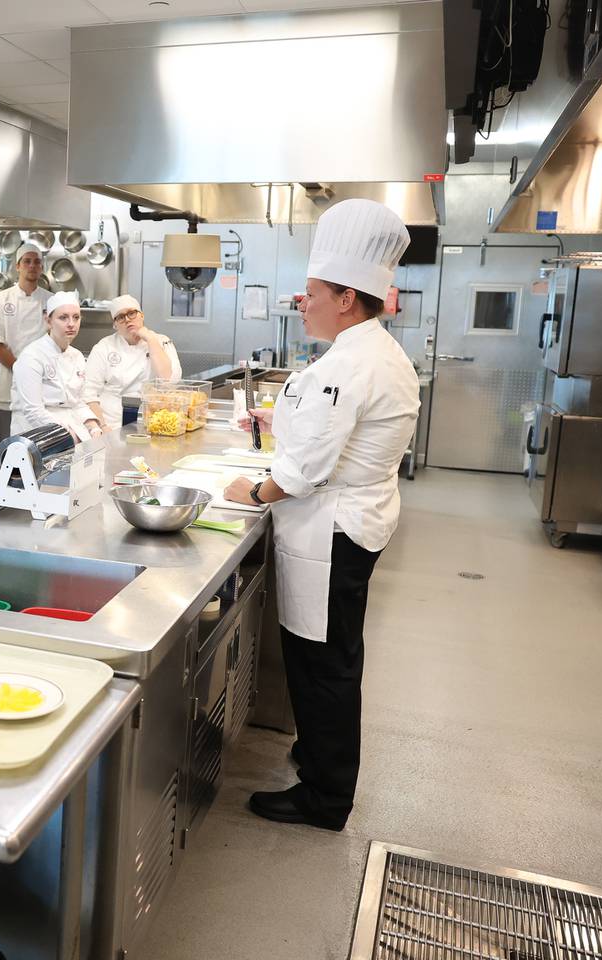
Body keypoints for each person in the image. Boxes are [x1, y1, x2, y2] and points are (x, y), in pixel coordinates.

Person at [223, 198, 419, 832]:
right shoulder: (369, 353)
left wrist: (249, 493)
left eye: (309, 293)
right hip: (354, 522)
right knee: (331, 657)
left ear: (344, 298)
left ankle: (326, 797)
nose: (300, 302)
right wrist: (280, 422)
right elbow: (335, 435)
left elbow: (302, 472)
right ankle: (316, 757)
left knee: (325, 665)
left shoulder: (350, 362)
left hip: (335, 531)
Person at [10, 291, 104, 442]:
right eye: (63, 317)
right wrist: (68, 435)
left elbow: (76, 402)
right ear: (48, 321)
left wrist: (93, 426)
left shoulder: (78, 356)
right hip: (35, 436)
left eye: (76, 317)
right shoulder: (32, 357)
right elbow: (33, 411)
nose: (71, 324)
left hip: (70, 433)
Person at [83, 294, 182, 431]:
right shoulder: (103, 347)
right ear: (115, 324)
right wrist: (103, 426)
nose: (127, 319)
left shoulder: (161, 341)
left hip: (155, 422)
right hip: (113, 423)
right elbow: (89, 393)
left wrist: (150, 339)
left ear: (142, 315)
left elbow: (169, 380)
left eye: (132, 313)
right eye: (121, 317)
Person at [0, 243, 49, 446]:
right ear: (18, 266)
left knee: (39, 449)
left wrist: (32, 374)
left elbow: (54, 340)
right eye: (27, 261)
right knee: (8, 447)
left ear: (41, 267)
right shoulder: (2, 300)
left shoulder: (51, 300)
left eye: (37, 261)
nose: (32, 265)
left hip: (43, 386)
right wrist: (22, 371)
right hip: (7, 386)